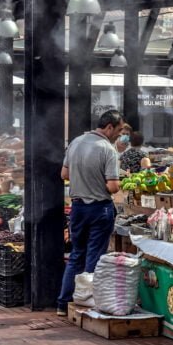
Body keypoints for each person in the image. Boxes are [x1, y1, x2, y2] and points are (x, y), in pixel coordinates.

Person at [57, 110, 126, 315]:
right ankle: (88, 305)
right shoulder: (108, 149)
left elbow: (64, 174)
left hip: (77, 208)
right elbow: (113, 187)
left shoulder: (76, 142)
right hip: (99, 208)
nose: (120, 135)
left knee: (76, 254)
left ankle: (63, 303)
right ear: (109, 127)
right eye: (120, 130)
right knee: (94, 256)